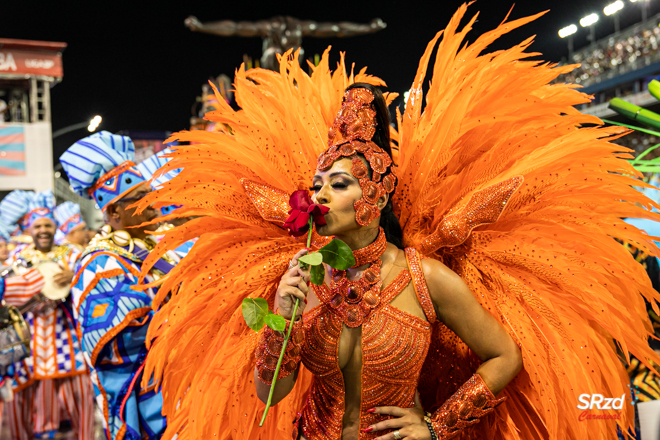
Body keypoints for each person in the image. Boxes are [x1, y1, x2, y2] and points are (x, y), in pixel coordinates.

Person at [138, 5, 660, 440]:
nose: (319, 193)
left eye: (338, 184)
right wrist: (282, 314)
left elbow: (503, 355)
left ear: (375, 194)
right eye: (317, 184)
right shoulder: (304, 277)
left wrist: (437, 425)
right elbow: (270, 392)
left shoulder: (423, 277)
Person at [60, 131, 177, 440]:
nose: (154, 205)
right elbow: (109, 340)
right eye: (141, 199)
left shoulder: (162, 247)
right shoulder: (98, 262)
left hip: (185, 385)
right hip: (145, 399)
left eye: (153, 195)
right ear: (114, 212)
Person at [0, 189, 93, 440]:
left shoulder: (74, 255)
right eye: (37, 225)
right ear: (29, 228)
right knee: (26, 409)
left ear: (55, 228)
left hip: (69, 345)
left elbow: (92, 283)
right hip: (28, 348)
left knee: (82, 406)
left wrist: (75, 278)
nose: (43, 230)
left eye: (48, 225)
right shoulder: (18, 258)